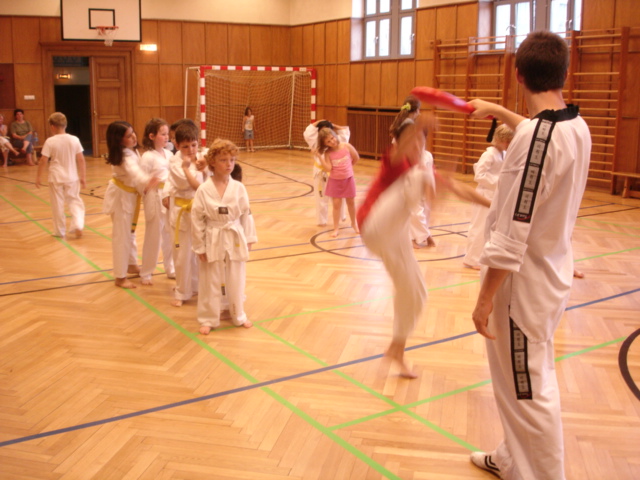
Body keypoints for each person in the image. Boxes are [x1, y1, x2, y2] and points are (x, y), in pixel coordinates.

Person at [468, 31, 591, 480]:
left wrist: (485, 298)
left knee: (529, 389)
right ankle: (511, 458)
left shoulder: (536, 140)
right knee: (518, 381)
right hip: (550, 274)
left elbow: (511, 235)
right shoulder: (574, 125)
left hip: (522, 289)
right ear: (565, 73)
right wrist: (497, 109)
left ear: (517, 74)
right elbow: (537, 132)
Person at [357, 107, 490, 379]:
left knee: (416, 292)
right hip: (373, 224)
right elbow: (402, 153)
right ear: (400, 142)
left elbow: (461, 188)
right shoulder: (395, 162)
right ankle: (432, 200)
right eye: (413, 140)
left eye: (422, 141)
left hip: (394, 235)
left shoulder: (421, 170)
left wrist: (497, 206)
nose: (418, 145)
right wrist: (417, 127)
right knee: (422, 176)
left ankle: (397, 348)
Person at [191, 138, 257, 334]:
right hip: (213, 235)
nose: (229, 164)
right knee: (210, 278)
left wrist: (249, 238)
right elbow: (197, 219)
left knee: (236, 276)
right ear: (212, 162)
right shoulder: (204, 189)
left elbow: (246, 213)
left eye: (232, 160)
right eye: (223, 160)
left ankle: (238, 314)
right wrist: (199, 246)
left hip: (234, 234)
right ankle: (208, 317)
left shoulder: (239, 188)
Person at [102, 121, 160, 289]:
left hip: (129, 197)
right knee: (122, 237)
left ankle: (131, 264)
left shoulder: (131, 151)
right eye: (128, 136)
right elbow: (135, 172)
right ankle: (120, 276)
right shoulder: (124, 156)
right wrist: (148, 180)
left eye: (133, 132)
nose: (134, 137)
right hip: (121, 198)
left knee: (130, 233)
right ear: (119, 140)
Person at [463, 124, 514, 269]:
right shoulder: (489, 154)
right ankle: (472, 259)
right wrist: (499, 182)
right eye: (506, 141)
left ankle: (483, 256)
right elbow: (479, 175)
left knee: (489, 228)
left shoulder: (503, 154)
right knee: (479, 226)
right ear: (499, 139)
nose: (508, 144)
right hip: (484, 194)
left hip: (494, 195)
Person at [167, 121, 207, 306]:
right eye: (185, 146)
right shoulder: (174, 162)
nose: (190, 150)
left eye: (193, 145)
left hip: (199, 211)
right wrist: (193, 169)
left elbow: (210, 180)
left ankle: (197, 286)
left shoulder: (202, 157)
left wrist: (205, 168)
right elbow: (191, 184)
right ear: (177, 145)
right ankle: (182, 291)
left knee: (200, 251)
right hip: (181, 212)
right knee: (182, 254)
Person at [392, 96, 437, 249]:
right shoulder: (408, 126)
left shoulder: (405, 124)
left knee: (420, 205)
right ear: (417, 110)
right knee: (415, 207)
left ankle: (419, 236)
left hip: (417, 164)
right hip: (411, 167)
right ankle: (418, 237)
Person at [35, 112, 86, 238]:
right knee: (74, 200)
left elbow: (43, 160)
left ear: (52, 126)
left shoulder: (50, 141)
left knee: (57, 204)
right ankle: (78, 224)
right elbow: (81, 159)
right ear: (65, 125)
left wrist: (38, 177)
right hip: (72, 176)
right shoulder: (74, 139)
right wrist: (83, 176)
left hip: (56, 177)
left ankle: (59, 231)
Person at [139, 118, 175, 285]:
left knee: (169, 234)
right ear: (152, 136)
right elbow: (140, 180)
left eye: (167, 134)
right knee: (153, 236)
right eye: (163, 134)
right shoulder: (147, 157)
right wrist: (147, 185)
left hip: (169, 196)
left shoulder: (169, 154)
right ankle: (146, 272)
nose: (166, 137)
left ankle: (170, 267)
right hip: (154, 197)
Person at [303, 119, 348, 226]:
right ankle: (321, 220)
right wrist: (319, 121)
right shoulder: (315, 142)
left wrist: (333, 124)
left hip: (335, 172)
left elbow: (345, 132)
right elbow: (308, 132)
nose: (325, 134)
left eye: (328, 131)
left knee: (338, 197)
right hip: (320, 173)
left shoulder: (336, 141)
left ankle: (341, 216)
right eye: (323, 131)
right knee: (321, 198)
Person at [317, 127, 360, 237]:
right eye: (328, 141)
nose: (332, 141)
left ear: (335, 135)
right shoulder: (328, 153)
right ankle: (336, 228)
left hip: (348, 179)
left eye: (332, 138)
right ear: (325, 144)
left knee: (351, 202)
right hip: (335, 181)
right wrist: (320, 158)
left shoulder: (347, 146)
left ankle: (354, 223)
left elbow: (356, 157)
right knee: (336, 205)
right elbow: (328, 168)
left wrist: (349, 168)